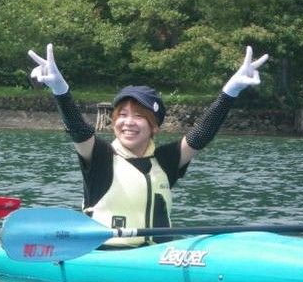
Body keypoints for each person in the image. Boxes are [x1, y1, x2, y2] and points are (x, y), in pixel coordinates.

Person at [28, 43, 268, 246]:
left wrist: (231, 91)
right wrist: (60, 90)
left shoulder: (165, 160)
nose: (128, 123)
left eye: (139, 116)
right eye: (122, 115)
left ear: (154, 126)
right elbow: (78, 129)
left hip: (159, 259)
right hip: (105, 259)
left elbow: (200, 135)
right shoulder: (99, 156)